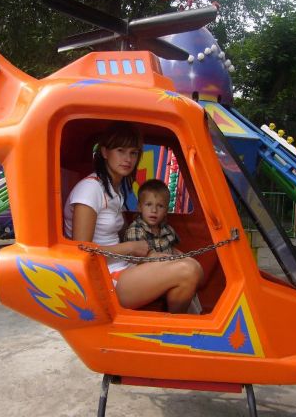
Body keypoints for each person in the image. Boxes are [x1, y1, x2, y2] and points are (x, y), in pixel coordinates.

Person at [63, 122, 203, 313]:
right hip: (103, 278)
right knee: (189, 271)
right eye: (120, 151)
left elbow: (125, 234)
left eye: (133, 153)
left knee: (190, 263)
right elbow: (81, 253)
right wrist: (130, 248)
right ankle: (175, 327)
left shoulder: (114, 190)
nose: (128, 159)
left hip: (124, 265)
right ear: (105, 152)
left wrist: (151, 253)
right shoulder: (90, 189)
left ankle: (183, 323)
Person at [125, 179, 182, 256]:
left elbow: (172, 249)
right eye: (149, 204)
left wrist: (181, 256)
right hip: (149, 264)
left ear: (166, 211)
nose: (154, 210)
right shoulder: (135, 230)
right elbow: (136, 259)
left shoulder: (167, 229)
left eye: (160, 206)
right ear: (139, 207)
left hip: (170, 262)